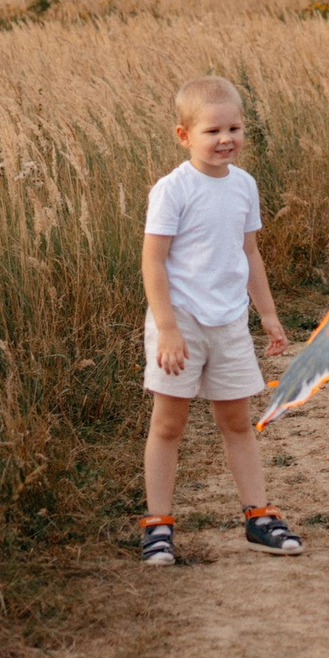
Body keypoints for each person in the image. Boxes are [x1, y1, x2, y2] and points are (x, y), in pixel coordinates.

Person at [138, 75, 303, 566]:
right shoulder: (173, 190)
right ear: (184, 136)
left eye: (234, 127)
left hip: (229, 322)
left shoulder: (244, 186)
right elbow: (153, 262)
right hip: (180, 325)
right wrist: (166, 327)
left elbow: (249, 251)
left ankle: (258, 516)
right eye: (212, 131)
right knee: (168, 424)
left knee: (237, 421)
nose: (225, 138)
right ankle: (159, 525)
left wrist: (268, 315)